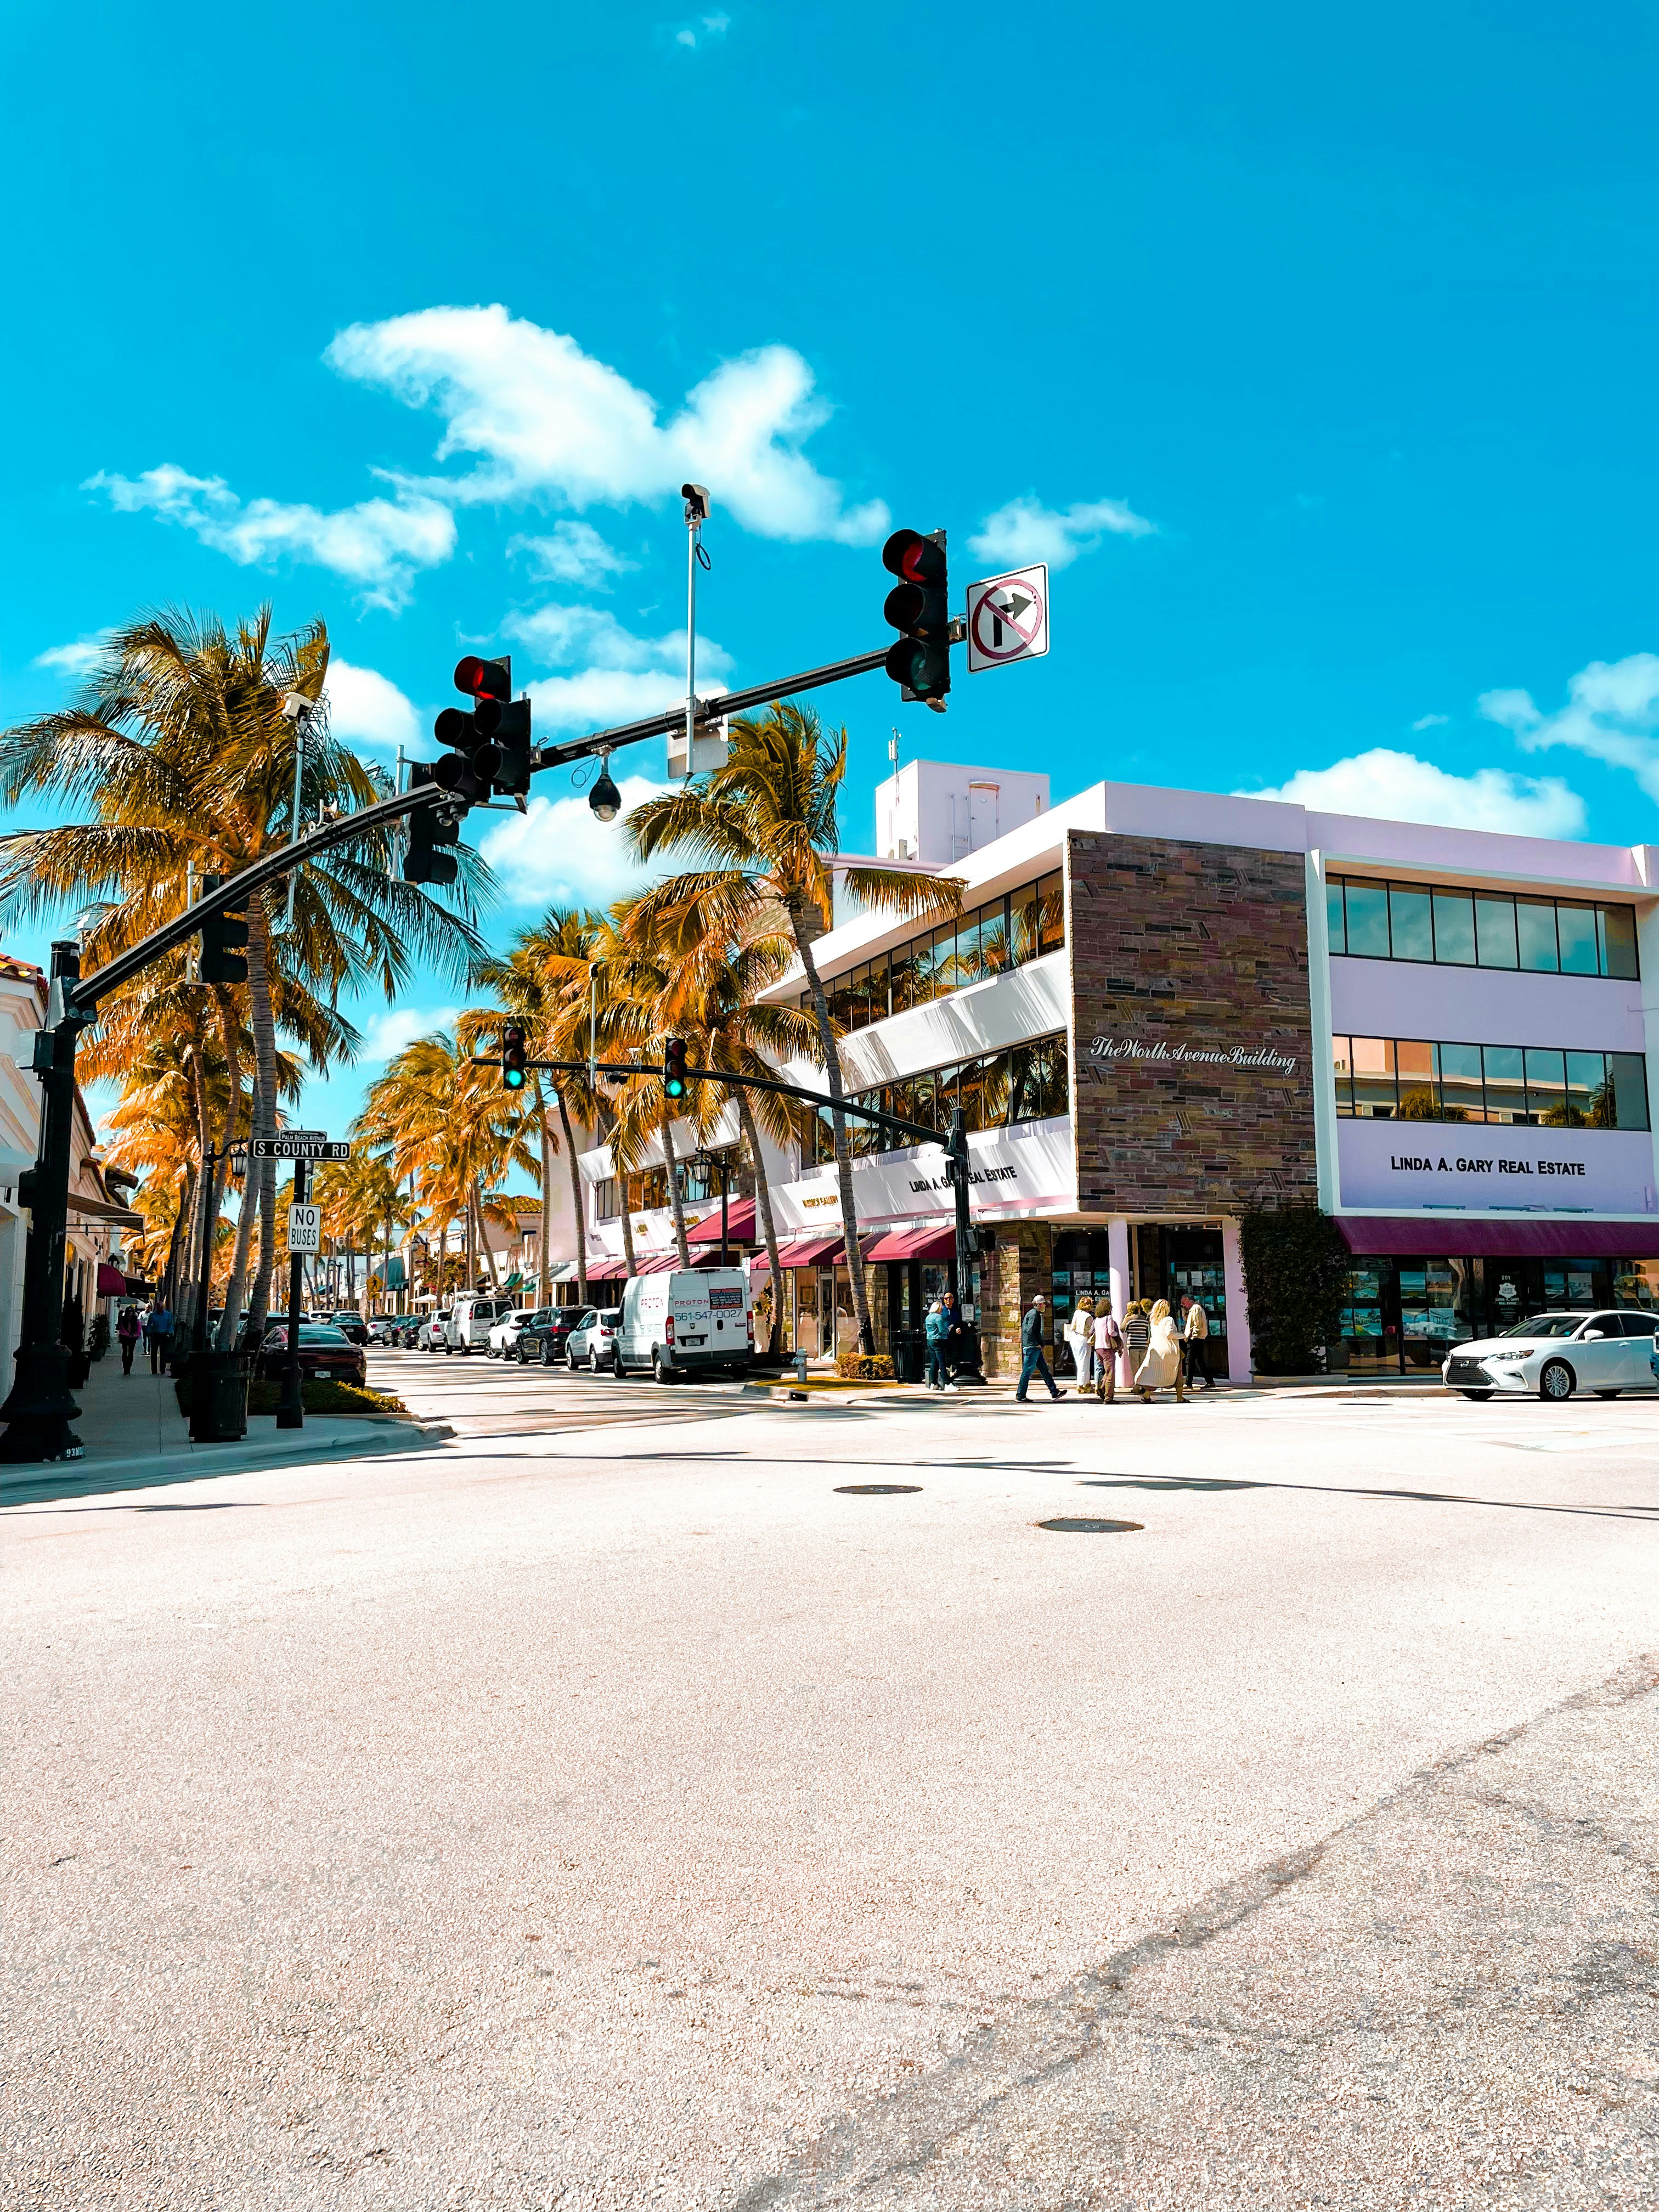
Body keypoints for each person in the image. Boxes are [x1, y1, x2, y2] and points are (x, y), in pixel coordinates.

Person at [1133, 1297, 1187, 1404]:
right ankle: (1180, 1397)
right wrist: (1183, 1335)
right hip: (1169, 1350)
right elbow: (1170, 1334)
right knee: (1178, 1373)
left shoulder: (1153, 1321)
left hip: (1157, 1350)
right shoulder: (1168, 1320)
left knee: (1156, 1374)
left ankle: (1147, 1396)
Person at [1015, 1293, 1066, 1402]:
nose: (1045, 1307)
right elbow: (1030, 1330)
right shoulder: (1034, 1314)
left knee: (1044, 1370)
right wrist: (1037, 1343)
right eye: (1044, 1304)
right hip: (1032, 1348)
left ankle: (1054, 1392)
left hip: (1034, 1348)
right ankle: (1020, 1395)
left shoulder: (1032, 1313)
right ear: (1039, 1305)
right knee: (1027, 1372)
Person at [1091, 1300, 1124, 1404]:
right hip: (1107, 1348)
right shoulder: (1108, 1318)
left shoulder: (1096, 1320)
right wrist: (1118, 1339)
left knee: (1106, 1371)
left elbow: (1091, 1332)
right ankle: (1108, 1397)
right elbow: (1111, 1332)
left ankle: (1102, 1388)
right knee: (1110, 1373)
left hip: (1098, 1348)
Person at [1181, 1292, 1213, 1390]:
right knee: (1200, 1360)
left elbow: (1197, 1324)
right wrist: (1183, 1309)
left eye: (1184, 1302)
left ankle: (1188, 1382)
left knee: (1189, 1360)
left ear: (1189, 1301)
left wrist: (1193, 1336)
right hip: (1196, 1337)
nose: (1183, 1304)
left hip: (1195, 1338)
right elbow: (1186, 1320)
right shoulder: (1192, 1309)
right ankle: (1210, 1382)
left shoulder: (1195, 1308)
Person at [1065, 1295, 1096, 1391]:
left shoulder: (1077, 1312)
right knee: (1084, 1362)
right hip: (1083, 1338)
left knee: (1079, 1361)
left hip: (1074, 1337)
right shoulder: (1089, 1317)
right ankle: (1081, 1384)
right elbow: (1089, 1331)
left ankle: (1086, 1383)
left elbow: (1073, 1326)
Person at [923, 1297, 952, 1392]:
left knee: (934, 1363)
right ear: (939, 1308)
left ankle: (933, 1383)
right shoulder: (938, 1317)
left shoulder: (928, 1317)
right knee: (942, 1363)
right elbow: (942, 1330)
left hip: (930, 1340)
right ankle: (947, 1384)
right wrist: (949, 1329)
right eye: (941, 1308)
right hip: (938, 1340)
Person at [145, 1298, 173, 1375]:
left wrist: (169, 1333)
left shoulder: (168, 1315)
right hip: (155, 1335)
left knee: (163, 1353)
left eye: (161, 1307)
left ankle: (162, 1370)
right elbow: (149, 1324)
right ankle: (154, 1370)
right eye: (158, 1307)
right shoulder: (152, 1315)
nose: (160, 1308)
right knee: (153, 1353)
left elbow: (170, 1325)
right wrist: (149, 1332)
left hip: (164, 1335)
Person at [116, 1304, 141, 1376]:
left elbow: (139, 1329)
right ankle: (125, 1367)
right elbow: (121, 1328)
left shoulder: (136, 1320)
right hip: (125, 1338)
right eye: (128, 1311)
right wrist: (127, 1334)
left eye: (131, 1311)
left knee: (131, 1352)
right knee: (125, 1352)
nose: (130, 1313)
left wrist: (135, 1335)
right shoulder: (123, 1319)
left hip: (133, 1338)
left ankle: (129, 1367)